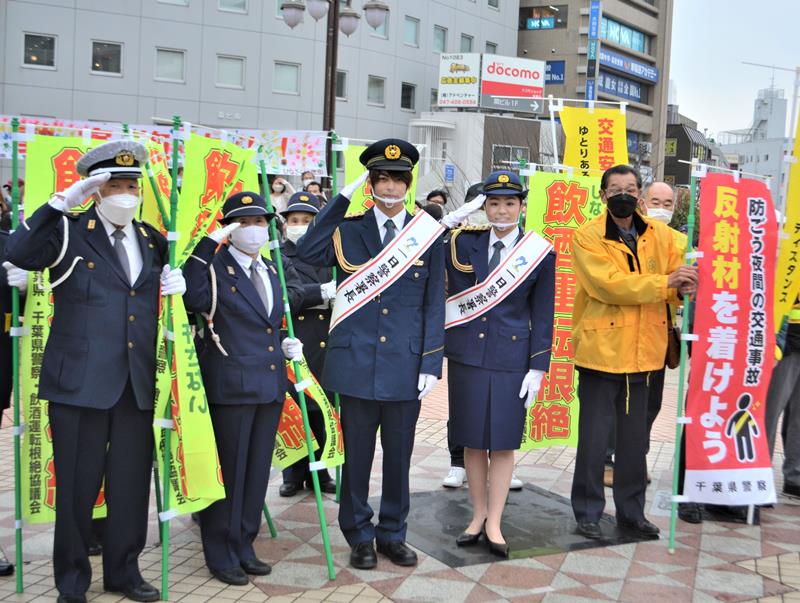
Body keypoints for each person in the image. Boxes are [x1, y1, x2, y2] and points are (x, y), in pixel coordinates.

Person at [6, 140, 186, 603]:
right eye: (114, 185)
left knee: (129, 486)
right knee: (77, 488)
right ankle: (71, 581)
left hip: (135, 381)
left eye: (132, 185)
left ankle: (125, 572)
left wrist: (177, 286)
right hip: (79, 383)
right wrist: (61, 201)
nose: (126, 193)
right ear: (96, 190)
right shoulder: (68, 231)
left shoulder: (150, 239)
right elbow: (19, 250)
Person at [297, 138, 445, 570]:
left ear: (409, 184)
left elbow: (433, 303)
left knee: (399, 458)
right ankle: (359, 534)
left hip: (405, 363)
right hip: (356, 361)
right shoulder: (349, 229)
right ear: (371, 184)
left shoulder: (427, 234)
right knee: (357, 456)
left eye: (398, 179)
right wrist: (341, 198)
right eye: (381, 178)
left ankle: (393, 533)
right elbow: (307, 251)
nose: (391, 187)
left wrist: (431, 362)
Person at [569, 165, 697, 540]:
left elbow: (677, 278)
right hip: (601, 353)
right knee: (594, 441)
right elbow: (608, 285)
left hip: (646, 354)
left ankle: (631, 512)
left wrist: (684, 284)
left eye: (630, 188)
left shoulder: (663, 236)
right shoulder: (587, 236)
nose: (623, 194)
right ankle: (588, 512)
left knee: (633, 443)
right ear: (603, 195)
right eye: (615, 189)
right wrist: (665, 284)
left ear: (639, 193)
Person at [183, 191, 303, 585]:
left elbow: (271, 321)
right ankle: (219, 551)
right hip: (231, 388)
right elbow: (192, 294)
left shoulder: (270, 268)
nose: (254, 230)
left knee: (255, 474)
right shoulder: (214, 267)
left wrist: (285, 342)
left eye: (260, 222)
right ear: (229, 229)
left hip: (268, 386)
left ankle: (244, 543)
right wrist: (207, 242)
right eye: (244, 223)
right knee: (230, 474)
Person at [445, 171, 555, 557]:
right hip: (467, 358)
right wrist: (455, 216)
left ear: (522, 207)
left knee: (503, 444)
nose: (502, 210)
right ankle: (476, 516)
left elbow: (544, 314)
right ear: (483, 207)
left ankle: (495, 521)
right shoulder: (464, 243)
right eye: (493, 203)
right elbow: (425, 247)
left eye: (510, 203)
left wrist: (538, 367)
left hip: (511, 359)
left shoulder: (539, 251)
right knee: (473, 442)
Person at [603, 181, 683, 488]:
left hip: (658, 335)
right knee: (619, 401)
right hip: (622, 334)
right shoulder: (627, 235)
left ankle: (636, 457)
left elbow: (680, 293)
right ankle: (608, 459)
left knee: (650, 403)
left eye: (667, 203)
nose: (661, 208)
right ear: (641, 202)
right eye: (655, 201)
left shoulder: (677, 240)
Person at [278, 192, 337, 497]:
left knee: (321, 408)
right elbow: (285, 295)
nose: (300, 226)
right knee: (297, 409)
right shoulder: (279, 255)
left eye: (308, 220)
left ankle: (321, 469)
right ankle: (293, 472)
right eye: (295, 220)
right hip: (296, 342)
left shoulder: (330, 252)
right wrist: (322, 292)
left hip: (326, 341)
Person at [765, 297, 800, 496]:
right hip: (784, 340)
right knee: (770, 412)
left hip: (788, 338)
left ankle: (795, 476)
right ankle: (760, 474)